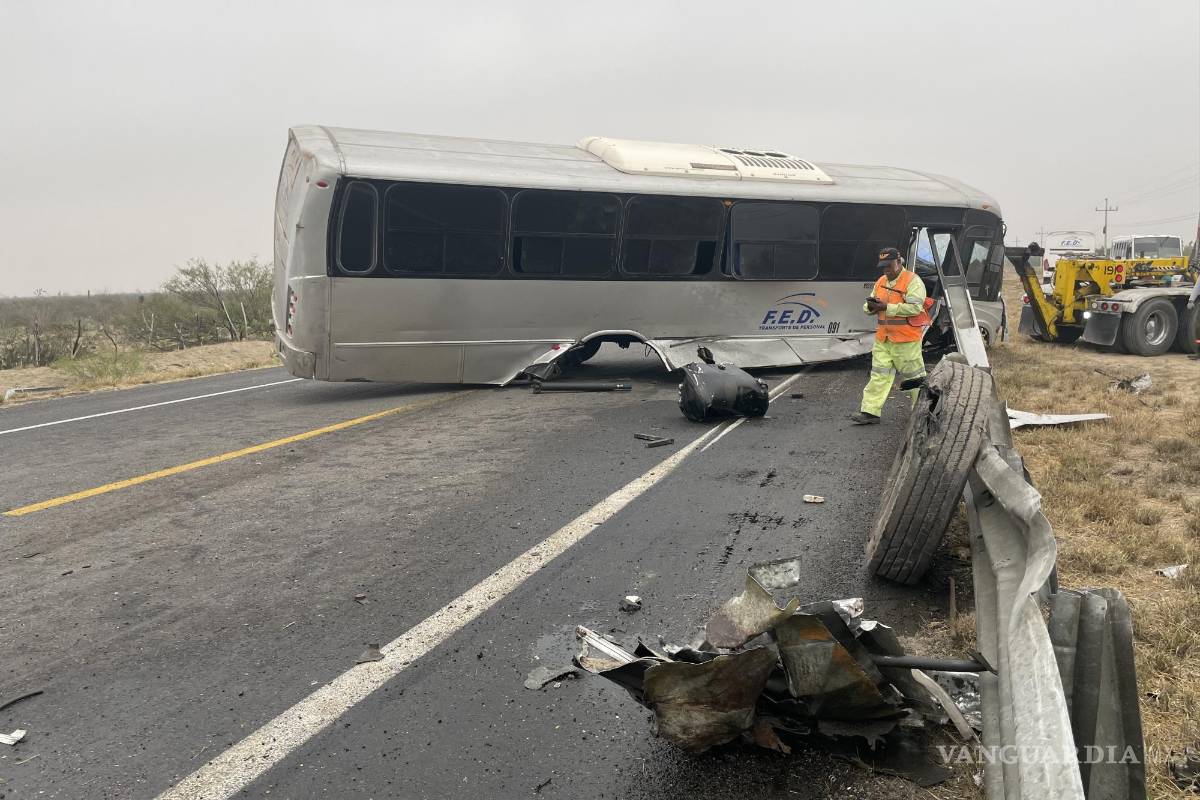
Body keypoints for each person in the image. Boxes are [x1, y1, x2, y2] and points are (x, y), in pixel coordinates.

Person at [849, 247, 932, 425]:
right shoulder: (881, 281)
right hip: (883, 339)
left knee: (915, 379)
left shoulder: (913, 281)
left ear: (899, 262)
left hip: (906, 340)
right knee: (878, 375)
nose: (886, 269)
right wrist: (871, 307)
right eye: (883, 266)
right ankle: (870, 412)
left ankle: (922, 413)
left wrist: (887, 307)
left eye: (889, 265)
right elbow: (869, 305)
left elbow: (915, 308)